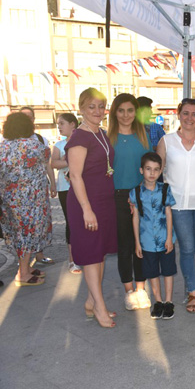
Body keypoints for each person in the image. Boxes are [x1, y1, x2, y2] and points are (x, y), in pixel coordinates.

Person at [157, 98, 195, 313]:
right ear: (178, 114)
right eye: (186, 113)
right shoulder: (166, 142)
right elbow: (156, 174)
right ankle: (191, 292)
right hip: (177, 206)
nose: (190, 118)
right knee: (187, 249)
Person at [65, 88, 118, 328]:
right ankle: (99, 306)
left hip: (103, 201)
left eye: (101, 106)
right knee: (90, 255)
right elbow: (75, 176)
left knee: (100, 252)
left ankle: (90, 301)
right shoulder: (79, 136)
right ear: (81, 109)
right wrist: (87, 209)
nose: (97, 111)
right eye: (91, 107)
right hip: (86, 203)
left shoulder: (101, 133)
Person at [108, 93, 152, 311]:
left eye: (130, 110)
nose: (126, 115)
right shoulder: (108, 139)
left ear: (136, 112)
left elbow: (152, 169)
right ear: (115, 113)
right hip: (117, 198)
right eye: (121, 110)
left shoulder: (143, 137)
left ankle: (141, 289)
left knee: (141, 245)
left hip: (141, 196)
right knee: (124, 246)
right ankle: (128, 291)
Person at [0, 112, 52, 286]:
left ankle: (26, 269)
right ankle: (22, 274)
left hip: (10, 201)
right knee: (29, 234)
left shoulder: (2, 147)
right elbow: (47, 155)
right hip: (32, 201)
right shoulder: (34, 146)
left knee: (19, 235)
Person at [131, 152, 176, 320]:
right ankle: (158, 301)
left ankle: (169, 301)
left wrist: (170, 238)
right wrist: (137, 242)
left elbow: (169, 213)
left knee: (168, 271)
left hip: (165, 240)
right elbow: (135, 217)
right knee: (152, 272)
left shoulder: (165, 189)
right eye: (148, 169)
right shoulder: (135, 192)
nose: (152, 173)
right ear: (141, 170)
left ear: (160, 171)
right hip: (147, 241)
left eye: (156, 170)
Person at [20, 105, 57, 265]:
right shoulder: (10, 140)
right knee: (23, 225)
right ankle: (23, 261)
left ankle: (40, 255)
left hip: (40, 190)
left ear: (34, 120)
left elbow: (48, 164)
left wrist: (53, 184)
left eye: (30, 117)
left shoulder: (41, 140)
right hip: (19, 192)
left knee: (41, 223)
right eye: (24, 117)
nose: (27, 120)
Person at [51, 113, 82, 274]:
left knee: (84, 221)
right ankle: (72, 260)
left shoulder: (82, 142)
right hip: (65, 189)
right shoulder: (59, 145)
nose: (59, 126)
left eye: (62, 123)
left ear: (72, 124)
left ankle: (85, 254)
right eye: (58, 124)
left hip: (83, 187)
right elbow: (54, 162)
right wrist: (69, 161)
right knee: (71, 222)